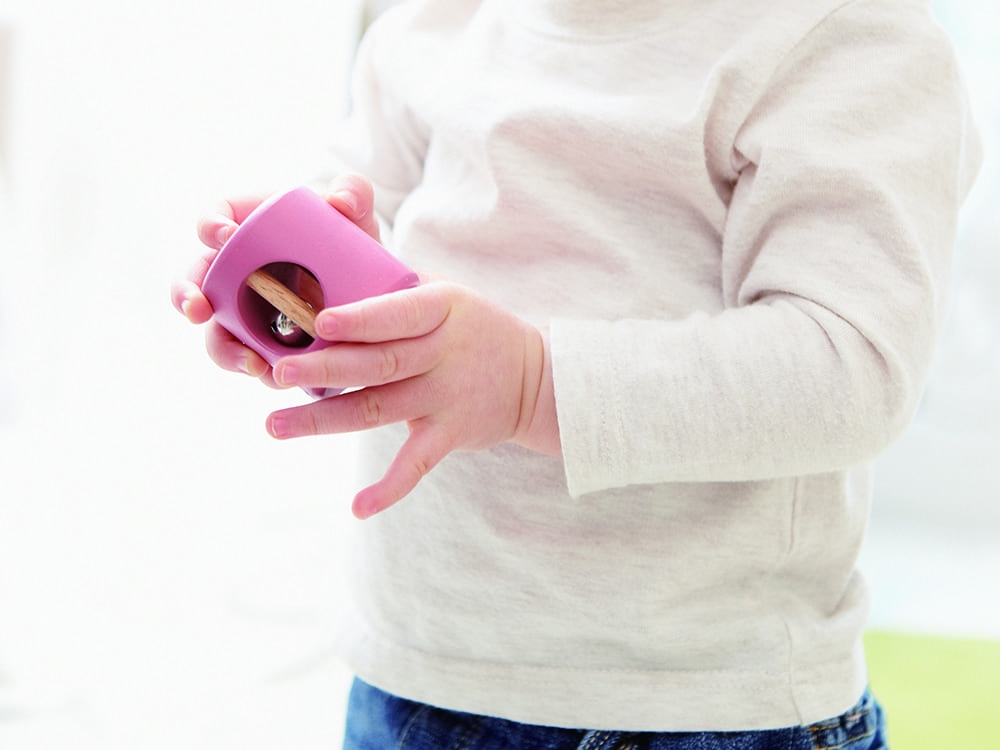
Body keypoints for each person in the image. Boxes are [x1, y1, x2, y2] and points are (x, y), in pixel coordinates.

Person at [172, 0, 981, 747]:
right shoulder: (434, 23)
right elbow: (360, 220)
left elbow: (847, 364)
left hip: (694, 705)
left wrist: (533, 385)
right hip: (416, 670)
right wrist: (296, 302)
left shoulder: (839, 38)